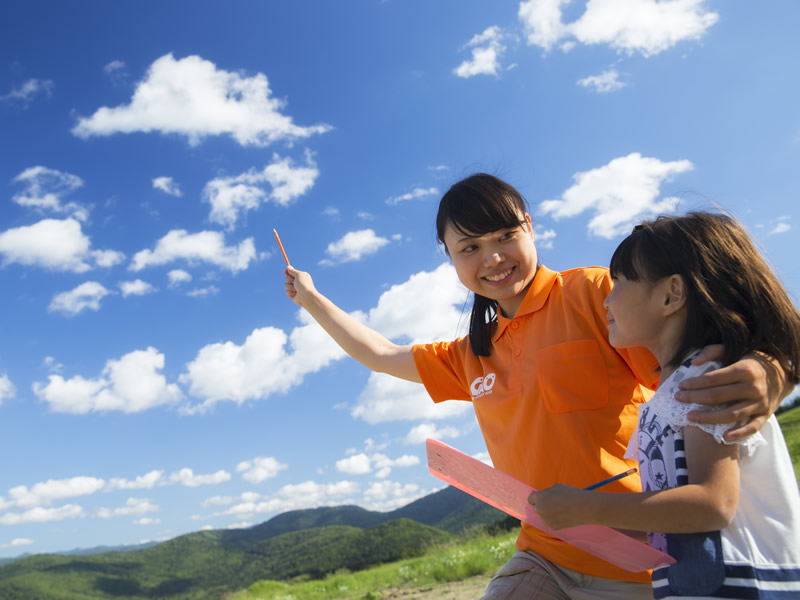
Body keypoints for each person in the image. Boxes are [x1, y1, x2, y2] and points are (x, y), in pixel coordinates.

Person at [283, 174, 790, 599]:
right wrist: (311, 300)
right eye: (470, 248)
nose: (493, 257)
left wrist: (772, 369)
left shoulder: (597, 295)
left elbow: (697, 348)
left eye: (505, 235)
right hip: (543, 552)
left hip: (638, 554)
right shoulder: (470, 353)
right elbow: (380, 354)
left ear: (530, 227)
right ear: (451, 259)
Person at [531, 212, 800, 599]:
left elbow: (712, 505)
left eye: (620, 282)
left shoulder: (705, 380)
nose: (607, 298)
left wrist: (588, 507)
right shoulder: (670, 391)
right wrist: (579, 517)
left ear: (671, 294)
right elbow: (673, 516)